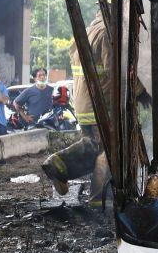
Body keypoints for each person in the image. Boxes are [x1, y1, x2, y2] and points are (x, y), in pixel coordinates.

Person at [43, 12, 109, 198]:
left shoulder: (86, 32)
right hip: (100, 104)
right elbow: (114, 72)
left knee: (93, 147)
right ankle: (100, 199)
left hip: (84, 104)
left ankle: (60, 166)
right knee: (108, 152)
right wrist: (140, 89)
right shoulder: (105, 33)